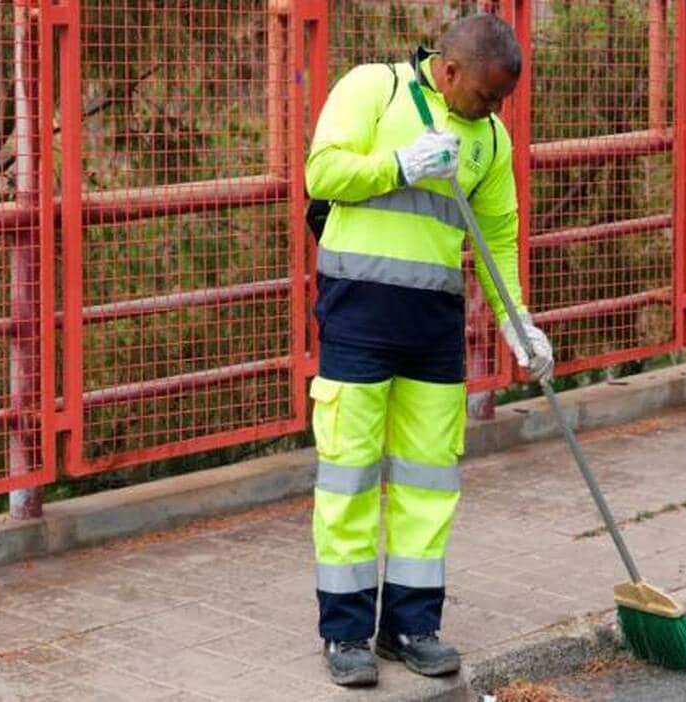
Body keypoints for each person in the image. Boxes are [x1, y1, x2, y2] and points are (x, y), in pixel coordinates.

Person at [304, 13, 553, 687]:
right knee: (350, 477)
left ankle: (412, 625)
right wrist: (399, 165)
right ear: (449, 72)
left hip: (434, 329)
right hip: (356, 318)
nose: (496, 108)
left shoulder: (491, 141)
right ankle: (346, 635)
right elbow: (321, 173)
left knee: (427, 482)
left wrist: (516, 321)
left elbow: (498, 237)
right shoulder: (372, 91)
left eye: (504, 99)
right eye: (487, 94)